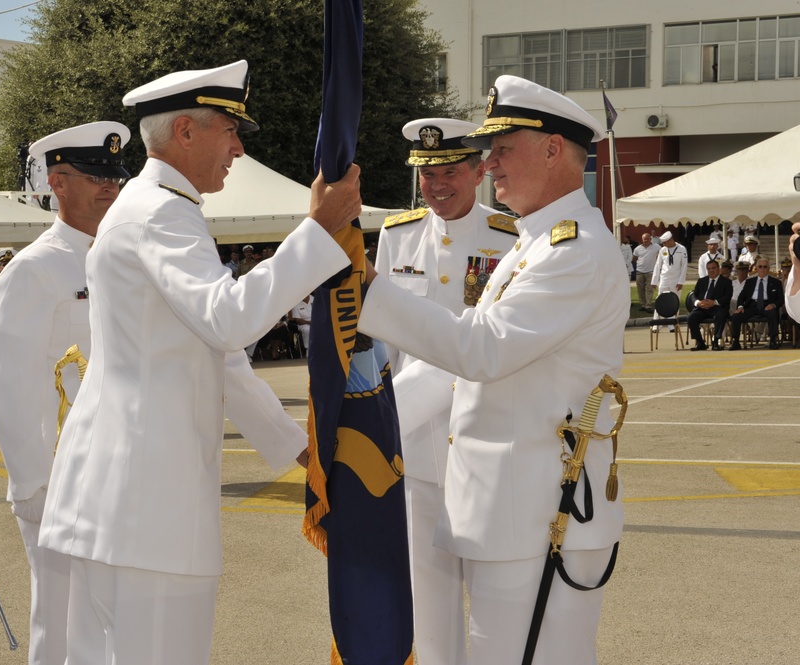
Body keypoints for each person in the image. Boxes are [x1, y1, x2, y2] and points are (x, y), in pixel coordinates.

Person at [38, 60, 360, 665]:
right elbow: (229, 319)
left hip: (120, 506)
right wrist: (317, 230)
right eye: (230, 130)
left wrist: (298, 446)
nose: (238, 148)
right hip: (148, 514)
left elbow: (218, 353)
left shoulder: (150, 206)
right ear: (185, 131)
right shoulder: (161, 212)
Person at [357, 74, 627, 665]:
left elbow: (481, 350)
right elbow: (457, 370)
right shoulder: (537, 244)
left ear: (553, 149)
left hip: (536, 514)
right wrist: (370, 426)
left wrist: (367, 288)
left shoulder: (571, 251)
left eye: (503, 149)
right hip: (511, 514)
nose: (491, 163)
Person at [0, 121, 132, 665]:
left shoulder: (120, 257)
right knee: (64, 623)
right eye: (95, 176)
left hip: (120, 472)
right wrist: (32, 485)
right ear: (58, 182)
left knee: (117, 623)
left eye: (114, 177)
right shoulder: (34, 267)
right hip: (61, 481)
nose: (109, 188)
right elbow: (9, 385)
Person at [374, 116, 517, 665]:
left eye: (449, 172)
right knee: (427, 601)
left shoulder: (510, 237)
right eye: (426, 176)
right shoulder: (398, 234)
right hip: (417, 445)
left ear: (480, 170)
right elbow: (382, 340)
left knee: (493, 597)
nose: (435, 187)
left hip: (485, 437)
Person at [728, 258, 783, 350]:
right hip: (752, 306)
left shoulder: (776, 282)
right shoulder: (750, 282)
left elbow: (781, 299)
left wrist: (773, 305)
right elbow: (742, 296)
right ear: (756, 268)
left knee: (773, 313)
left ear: (768, 269)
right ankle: (736, 342)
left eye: (765, 267)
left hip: (767, 305)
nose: (762, 269)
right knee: (736, 316)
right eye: (760, 267)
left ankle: (773, 340)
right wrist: (741, 306)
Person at [687, 260, 732, 351]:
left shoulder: (726, 282)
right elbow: (694, 295)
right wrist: (698, 303)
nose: (711, 271)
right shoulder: (702, 281)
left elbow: (727, 297)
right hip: (702, 308)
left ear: (719, 269)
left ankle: (716, 342)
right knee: (691, 317)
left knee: (721, 315)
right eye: (709, 269)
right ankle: (700, 342)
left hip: (717, 307)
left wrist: (714, 302)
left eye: (713, 268)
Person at [651, 230, 687, 330]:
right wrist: (654, 280)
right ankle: (657, 323)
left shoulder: (682, 249)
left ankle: (672, 324)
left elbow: (684, 266)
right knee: (660, 299)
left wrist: (681, 281)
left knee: (674, 301)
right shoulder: (663, 250)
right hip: (664, 278)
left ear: (671, 240)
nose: (664, 244)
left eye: (666, 242)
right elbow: (658, 265)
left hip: (676, 278)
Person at [633, 232, 660, 312]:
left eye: (647, 238)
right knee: (640, 289)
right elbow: (634, 259)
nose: (646, 240)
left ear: (650, 239)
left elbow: (662, 254)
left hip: (651, 272)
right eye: (644, 239)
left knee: (649, 289)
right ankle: (643, 304)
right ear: (642, 239)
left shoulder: (656, 247)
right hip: (639, 271)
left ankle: (648, 305)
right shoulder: (637, 249)